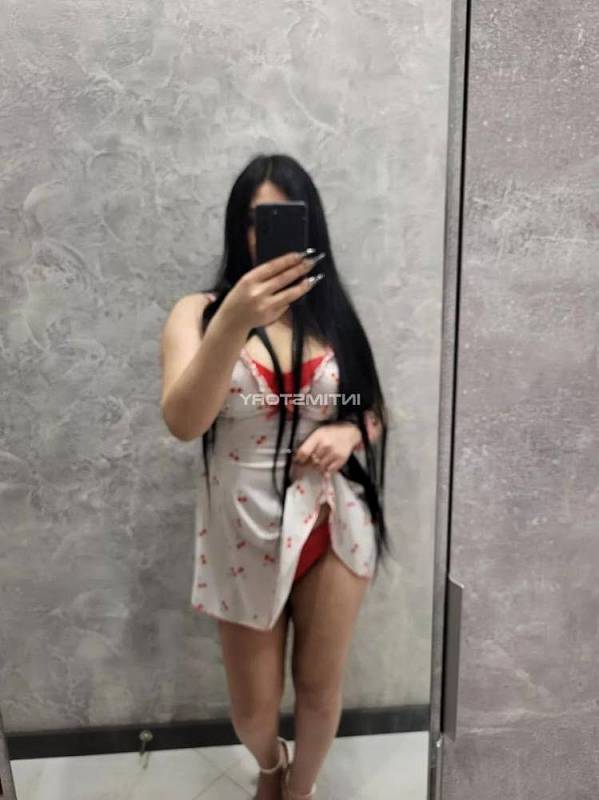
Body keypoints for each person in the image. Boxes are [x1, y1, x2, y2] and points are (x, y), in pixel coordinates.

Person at [160, 154, 392, 800]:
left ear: (310, 229)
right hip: (243, 532)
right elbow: (183, 420)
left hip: (332, 522)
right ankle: (270, 764)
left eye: (284, 221)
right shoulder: (199, 314)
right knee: (253, 710)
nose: (266, 238)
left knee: (319, 689)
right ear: (238, 229)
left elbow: (370, 407)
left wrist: (350, 433)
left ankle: (298, 790)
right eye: (255, 222)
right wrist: (236, 318)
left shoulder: (330, 315)